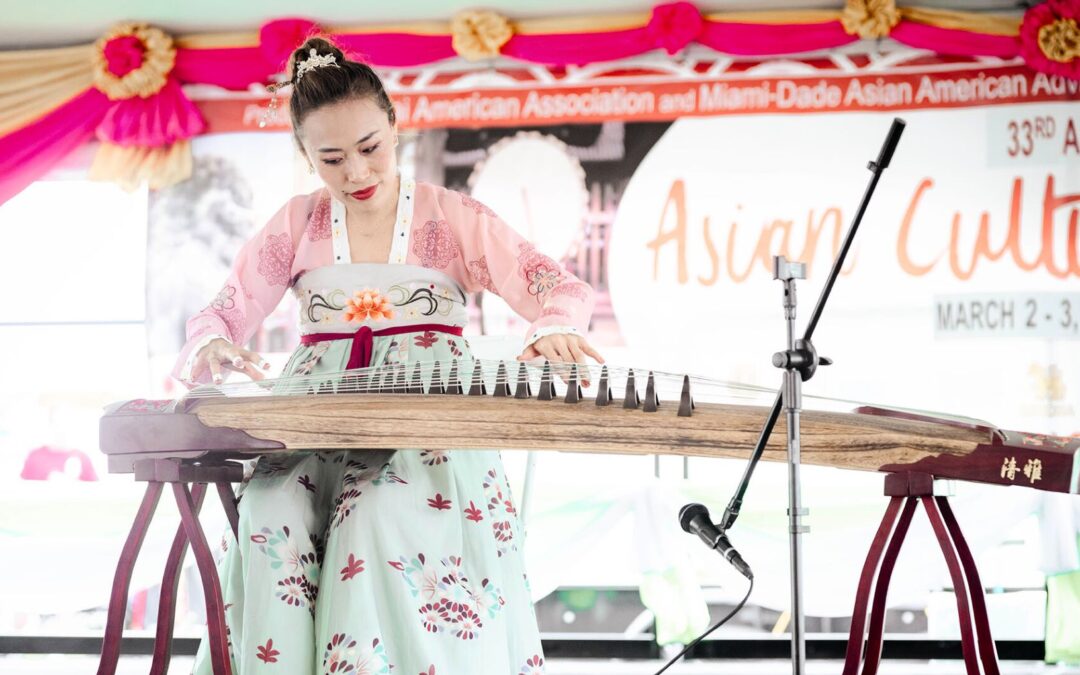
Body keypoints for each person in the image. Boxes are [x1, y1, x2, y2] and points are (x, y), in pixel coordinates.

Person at [173, 36, 602, 675]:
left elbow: (558, 288)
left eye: (370, 148)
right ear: (306, 156)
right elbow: (224, 310)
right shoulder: (295, 224)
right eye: (332, 158)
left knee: (375, 513)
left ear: (396, 127)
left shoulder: (453, 217)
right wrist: (213, 342)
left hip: (425, 426)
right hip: (314, 424)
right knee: (268, 513)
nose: (356, 174)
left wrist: (555, 327)